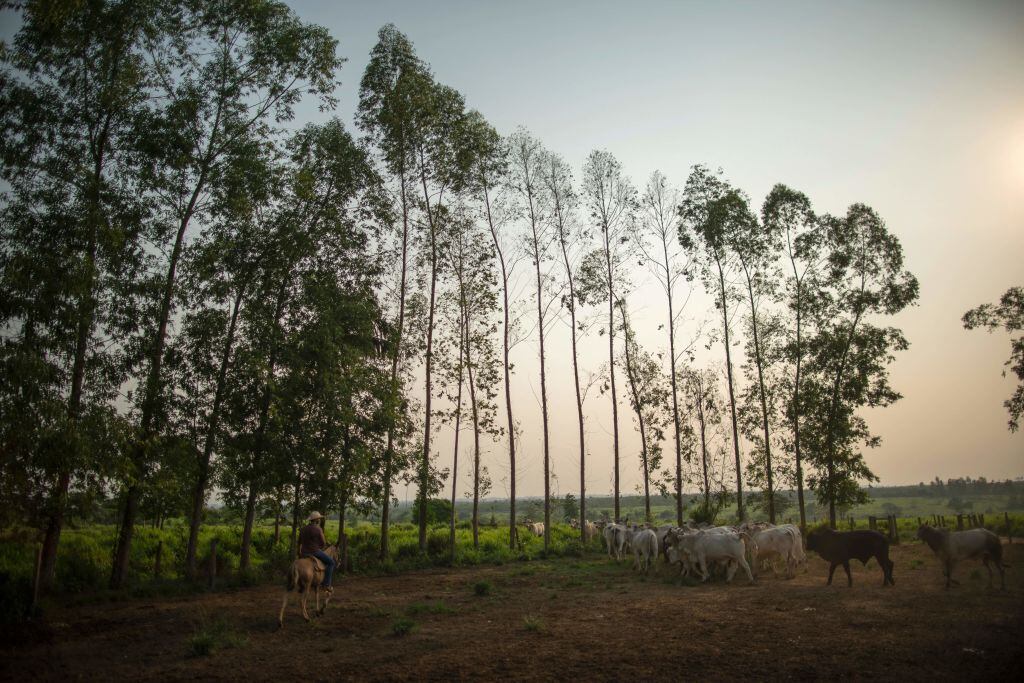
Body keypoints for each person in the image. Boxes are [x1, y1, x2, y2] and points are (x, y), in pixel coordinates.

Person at [298, 511, 334, 592]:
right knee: (331, 562)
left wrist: (299, 552)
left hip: (304, 552)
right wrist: (320, 547)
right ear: (317, 520)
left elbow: (299, 542)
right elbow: (323, 543)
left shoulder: (303, 529)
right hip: (314, 552)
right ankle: (327, 584)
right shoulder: (318, 529)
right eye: (319, 519)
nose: (319, 520)